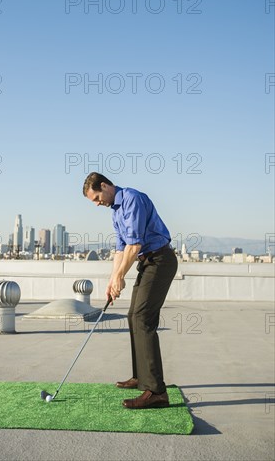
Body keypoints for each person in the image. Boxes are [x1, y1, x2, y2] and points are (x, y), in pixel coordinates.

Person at [83, 172, 178, 409]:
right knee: (132, 316)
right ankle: (141, 378)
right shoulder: (116, 211)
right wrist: (112, 280)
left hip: (161, 260)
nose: (97, 204)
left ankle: (156, 391)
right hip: (147, 262)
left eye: (96, 198)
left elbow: (134, 245)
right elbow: (120, 249)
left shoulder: (132, 199)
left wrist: (121, 278)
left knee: (143, 318)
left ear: (104, 186)